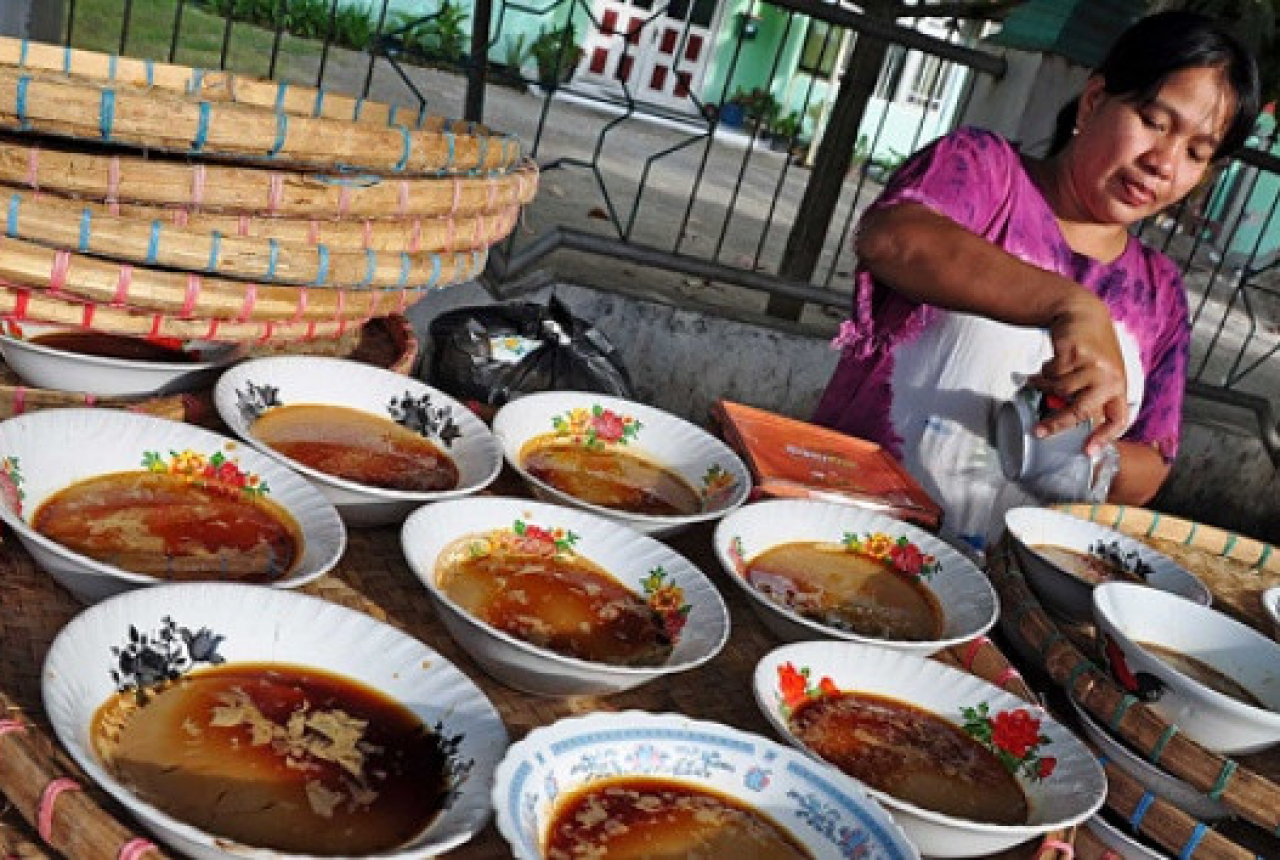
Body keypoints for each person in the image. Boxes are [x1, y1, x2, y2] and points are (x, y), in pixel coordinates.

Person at [812, 11, 1262, 553]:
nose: (1163, 163)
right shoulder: (986, 173)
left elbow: (1152, 465)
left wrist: (1082, 458)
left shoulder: (1159, 293)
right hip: (840, 531)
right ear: (1094, 101)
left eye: (1195, 152)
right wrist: (1070, 306)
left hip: (996, 592)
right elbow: (894, 239)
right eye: (1153, 121)